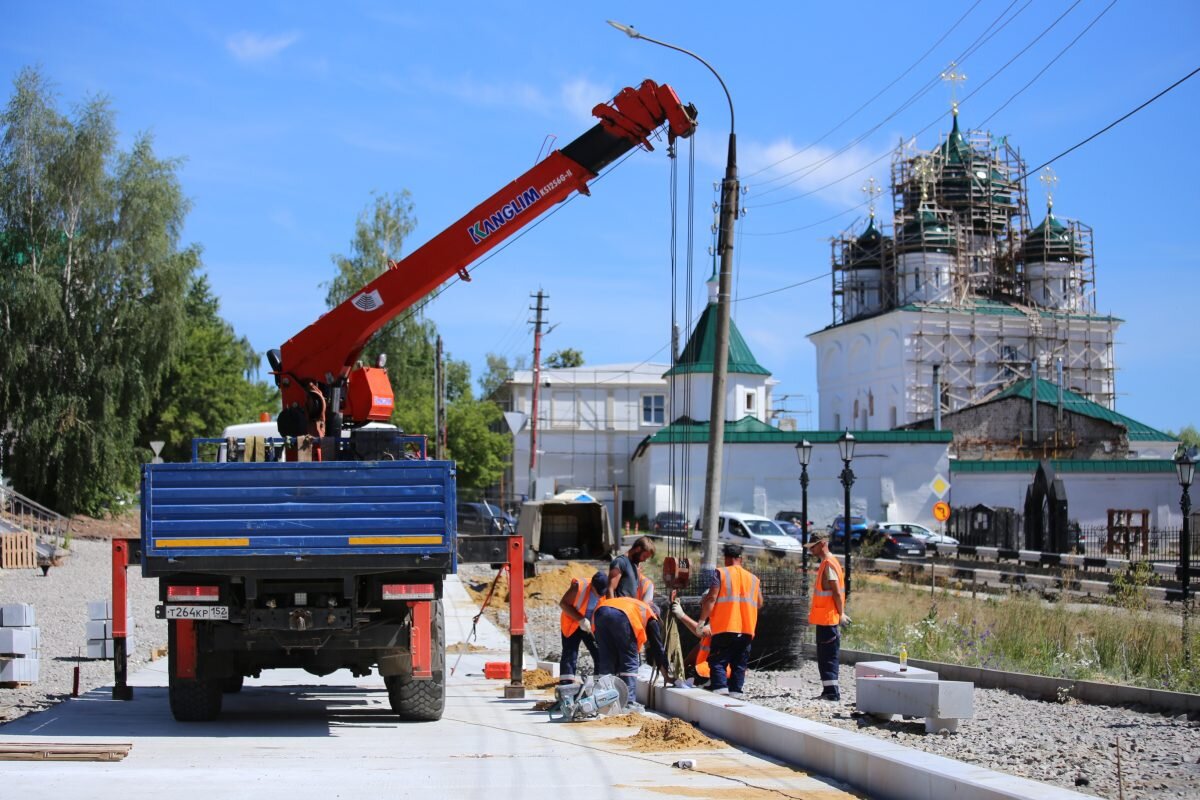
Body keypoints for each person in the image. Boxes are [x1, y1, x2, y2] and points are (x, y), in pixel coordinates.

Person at [695, 543, 762, 699]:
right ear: (741, 558)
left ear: (726, 558)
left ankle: (720, 693)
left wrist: (701, 621)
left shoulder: (721, 573)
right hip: (746, 629)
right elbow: (759, 603)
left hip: (725, 626)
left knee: (718, 662)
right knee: (739, 664)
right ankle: (736, 694)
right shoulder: (753, 578)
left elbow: (711, 598)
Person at [593, 595, 672, 706]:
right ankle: (628, 702)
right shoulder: (651, 616)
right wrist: (666, 675)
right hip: (622, 616)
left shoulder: (635, 604)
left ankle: (603, 702)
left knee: (607, 659)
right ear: (657, 615)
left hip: (600, 611)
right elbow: (658, 647)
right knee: (629, 660)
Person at [806, 533, 850, 701]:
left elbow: (837, 592)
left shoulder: (829, 564)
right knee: (825, 656)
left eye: (813, 546)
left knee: (828, 657)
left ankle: (832, 693)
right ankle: (828, 691)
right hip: (825, 619)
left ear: (823, 544)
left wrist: (841, 614)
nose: (811, 550)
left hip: (828, 619)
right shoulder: (828, 563)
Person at [558, 570, 607, 683]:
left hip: (590, 627)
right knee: (570, 654)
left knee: (599, 652)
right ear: (592, 586)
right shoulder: (579, 587)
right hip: (572, 624)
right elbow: (563, 604)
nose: (600, 595)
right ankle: (566, 687)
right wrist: (581, 619)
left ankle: (599, 684)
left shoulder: (605, 591)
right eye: (598, 592)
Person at [668, 599, 730, 688]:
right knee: (687, 675)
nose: (701, 605)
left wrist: (682, 615)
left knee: (689, 677)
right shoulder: (713, 620)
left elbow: (702, 632)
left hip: (718, 671)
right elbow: (698, 649)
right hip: (709, 670)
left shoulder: (722, 620)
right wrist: (683, 667)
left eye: (704, 602)